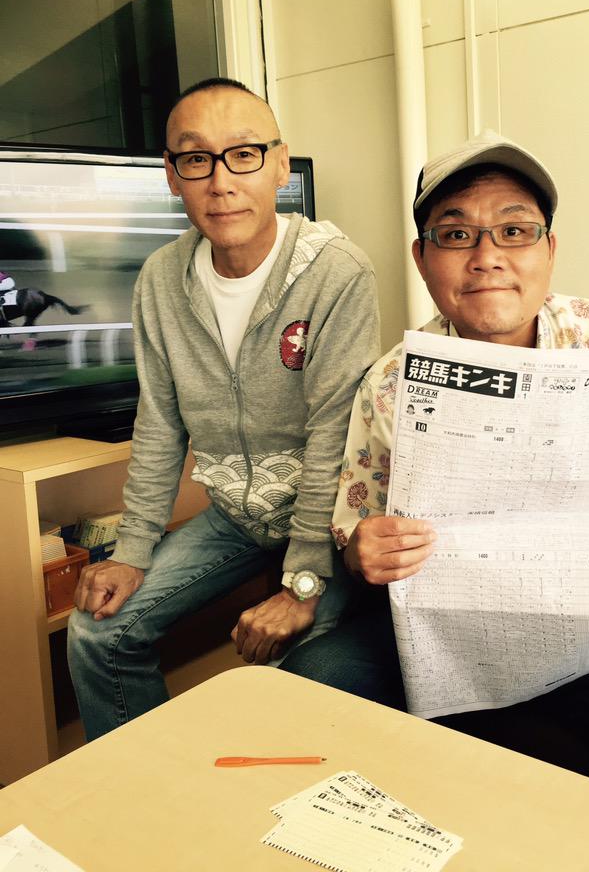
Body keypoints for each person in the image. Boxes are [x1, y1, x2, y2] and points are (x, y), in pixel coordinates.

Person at [281, 129, 589, 835]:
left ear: (549, 249)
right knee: (307, 691)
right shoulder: (392, 381)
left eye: (514, 231)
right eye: (456, 235)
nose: (487, 256)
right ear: (421, 258)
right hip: (451, 626)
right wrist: (364, 551)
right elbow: (356, 526)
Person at [67, 78, 380, 740]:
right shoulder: (161, 279)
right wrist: (131, 550)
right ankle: (146, 783)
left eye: (243, 154)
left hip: (330, 526)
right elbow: (159, 423)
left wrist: (301, 583)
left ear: (279, 164)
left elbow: (334, 434)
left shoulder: (337, 272)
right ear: (172, 175)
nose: (220, 181)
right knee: (97, 631)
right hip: (236, 519)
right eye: (196, 158)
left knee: (293, 681)